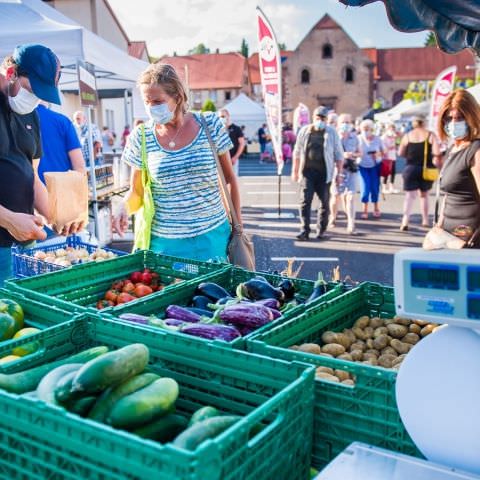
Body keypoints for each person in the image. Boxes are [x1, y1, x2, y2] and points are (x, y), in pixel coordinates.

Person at [113, 63, 242, 261]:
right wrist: (123, 208)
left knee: (214, 292)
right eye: (147, 102)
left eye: (158, 101)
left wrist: (238, 227)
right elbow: (137, 191)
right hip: (164, 245)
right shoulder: (141, 136)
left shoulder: (210, 124)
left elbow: (229, 179)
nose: (151, 108)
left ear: (178, 97)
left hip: (212, 239)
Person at [0, 44, 80, 284]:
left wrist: (58, 216)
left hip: (24, 243)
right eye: (31, 90)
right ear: (11, 72)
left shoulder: (30, 113)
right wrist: (9, 219)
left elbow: (32, 176)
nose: (34, 99)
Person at [292, 105, 344, 241]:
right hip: (307, 172)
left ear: (326, 120)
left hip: (324, 174)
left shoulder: (331, 132)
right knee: (305, 202)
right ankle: (304, 230)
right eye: (318, 117)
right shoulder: (305, 131)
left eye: (323, 118)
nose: (320, 120)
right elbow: (297, 152)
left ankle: (321, 230)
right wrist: (295, 171)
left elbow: (339, 154)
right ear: (313, 118)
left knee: (324, 203)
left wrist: (339, 174)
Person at [436, 89, 480, 247]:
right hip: (448, 233)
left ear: (471, 118)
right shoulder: (452, 150)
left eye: (460, 118)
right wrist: (439, 225)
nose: (453, 123)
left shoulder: (476, 150)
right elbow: (448, 194)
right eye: (449, 118)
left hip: (469, 236)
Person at [398, 114, 441, 230]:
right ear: (425, 122)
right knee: (424, 195)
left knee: (409, 196)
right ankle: (425, 219)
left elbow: (400, 153)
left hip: (410, 168)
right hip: (426, 169)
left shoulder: (407, 136)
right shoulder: (430, 135)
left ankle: (405, 220)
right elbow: (437, 152)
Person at [36, 102, 85, 184]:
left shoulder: (16, 119)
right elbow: (79, 165)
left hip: (29, 189)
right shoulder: (63, 121)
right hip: (61, 187)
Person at [329, 113, 360, 234]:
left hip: (351, 170)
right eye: (343, 122)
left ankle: (351, 223)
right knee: (335, 197)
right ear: (337, 124)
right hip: (337, 171)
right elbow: (328, 155)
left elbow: (360, 152)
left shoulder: (354, 138)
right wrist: (343, 155)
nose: (345, 125)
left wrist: (353, 155)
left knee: (351, 196)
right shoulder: (333, 137)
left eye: (348, 122)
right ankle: (332, 217)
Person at [358, 119, 384, 219]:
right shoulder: (358, 138)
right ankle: (364, 210)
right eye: (364, 129)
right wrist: (358, 154)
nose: (366, 131)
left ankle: (376, 208)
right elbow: (354, 150)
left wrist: (377, 154)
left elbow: (383, 151)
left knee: (374, 187)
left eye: (367, 129)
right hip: (362, 166)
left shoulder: (377, 139)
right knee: (365, 188)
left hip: (375, 165)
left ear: (371, 129)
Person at [219, 108, 245, 176]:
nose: (221, 118)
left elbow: (242, 143)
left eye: (223, 116)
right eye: (220, 117)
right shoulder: (219, 130)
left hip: (232, 159)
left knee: (232, 179)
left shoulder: (236, 128)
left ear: (228, 116)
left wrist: (235, 157)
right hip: (221, 160)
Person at [381, 122, 399, 194]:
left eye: (393, 128)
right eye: (391, 128)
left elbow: (397, 144)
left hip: (393, 156)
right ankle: (384, 187)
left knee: (393, 172)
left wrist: (396, 144)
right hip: (386, 157)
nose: (392, 129)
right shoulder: (384, 137)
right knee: (386, 172)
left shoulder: (394, 136)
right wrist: (389, 148)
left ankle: (392, 187)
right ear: (387, 128)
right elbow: (382, 147)